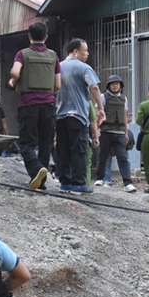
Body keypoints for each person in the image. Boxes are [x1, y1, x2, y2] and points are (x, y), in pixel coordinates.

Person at [9, 22, 61, 190]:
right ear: (46, 37)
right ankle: (41, 182)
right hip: (48, 105)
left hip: (29, 105)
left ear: (29, 36)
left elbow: (15, 72)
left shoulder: (22, 54)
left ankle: (36, 169)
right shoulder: (53, 56)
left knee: (26, 143)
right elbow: (58, 85)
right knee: (45, 144)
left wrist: (14, 80)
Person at [56, 38, 104, 194]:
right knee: (79, 150)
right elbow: (94, 87)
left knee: (63, 150)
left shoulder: (58, 67)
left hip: (60, 116)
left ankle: (65, 183)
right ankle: (78, 184)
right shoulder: (84, 68)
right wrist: (100, 107)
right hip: (77, 116)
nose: (87, 54)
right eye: (85, 50)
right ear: (75, 52)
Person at [94, 75, 137, 192]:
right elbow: (97, 113)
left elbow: (125, 116)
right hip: (106, 131)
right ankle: (99, 178)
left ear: (120, 86)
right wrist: (96, 130)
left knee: (123, 158)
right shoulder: (103, 97)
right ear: (108, 86)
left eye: (117, 84)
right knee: (103, 156)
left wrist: (126, 133)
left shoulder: (124, 98)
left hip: (119, 132)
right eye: (112, 84)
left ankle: (128, 183)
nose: (115, 86)